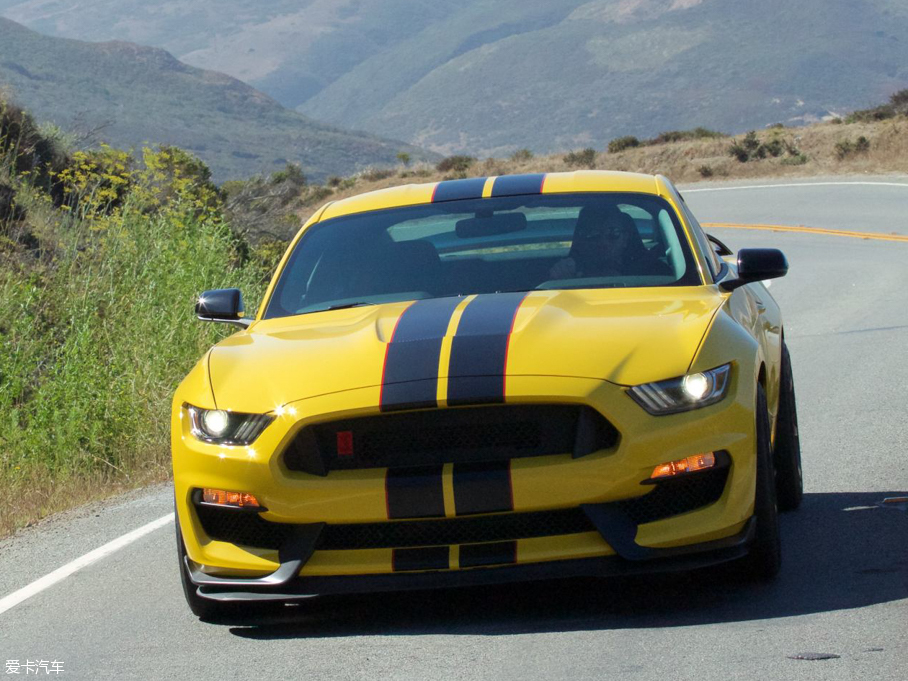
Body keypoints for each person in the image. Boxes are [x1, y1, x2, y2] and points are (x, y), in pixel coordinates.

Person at [549, 204, 671, 280]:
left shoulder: (655, 273)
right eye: (593, 235)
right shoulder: (568, 271)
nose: (603, 242)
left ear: (625, 238)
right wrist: (561, 278)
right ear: (583, 240)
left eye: (613, 234)